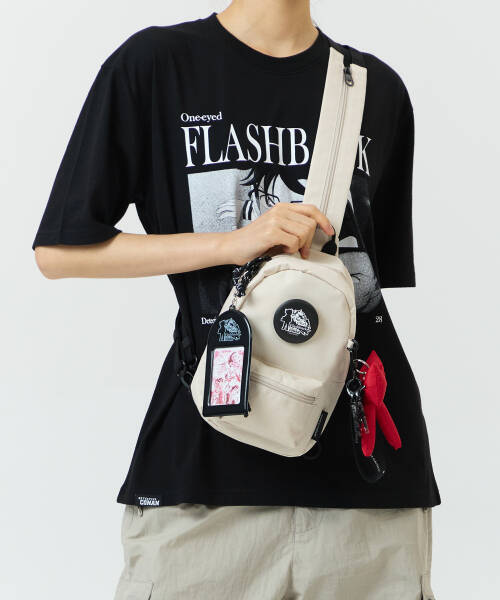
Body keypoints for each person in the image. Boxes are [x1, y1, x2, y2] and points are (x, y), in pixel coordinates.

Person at [32, 2, 440, 598]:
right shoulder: (156, 66)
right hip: (203, 483)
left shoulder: (374, 89)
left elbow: (364, 290)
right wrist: (232, 243)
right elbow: (60, 251)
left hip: (366, 488)